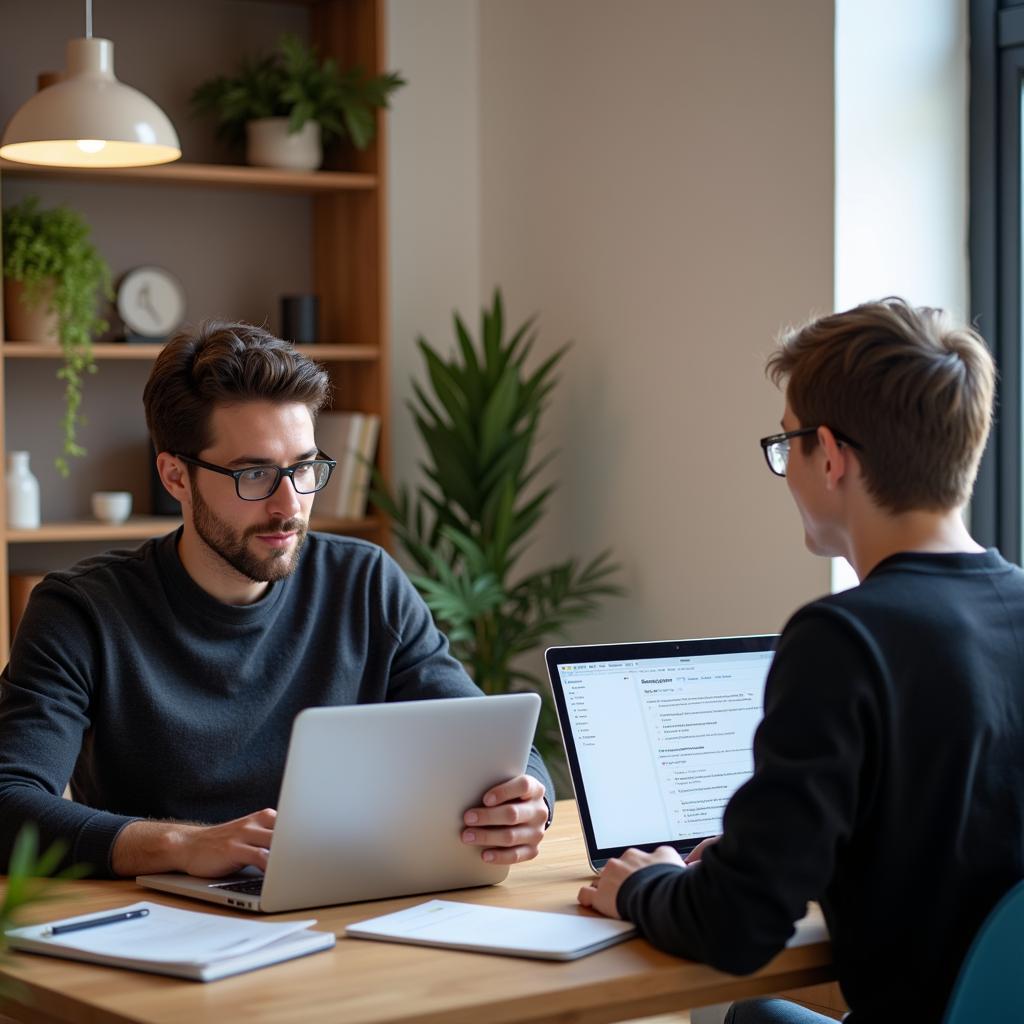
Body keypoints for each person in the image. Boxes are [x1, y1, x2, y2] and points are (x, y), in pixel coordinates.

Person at [578, 298, 1024, 1023]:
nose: (786, 470)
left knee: (751, 1014)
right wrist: (788, 848)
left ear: (831, 455)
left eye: (785, 445)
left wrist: (644, 884)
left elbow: (736, 927)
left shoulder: (846, 639)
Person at [0, 322, 552, 879]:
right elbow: (7, 801)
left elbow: (485, 737)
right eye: (256, 473)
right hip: (164, 922)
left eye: (305, 467)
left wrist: (529, 797)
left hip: (344, 903)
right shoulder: (81, 611)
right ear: (175, 477)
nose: (289, 505)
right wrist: (181, 845)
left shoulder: (364, 583)